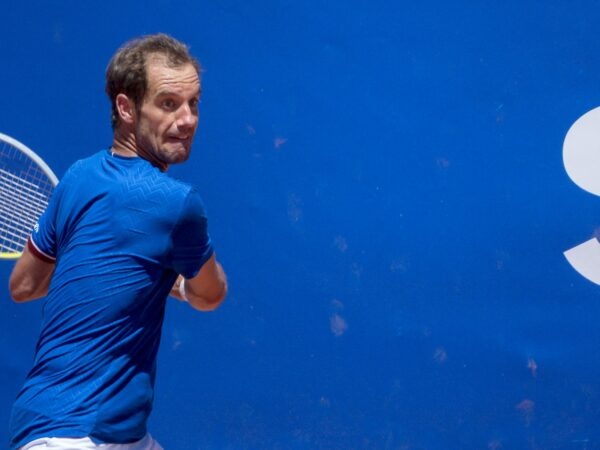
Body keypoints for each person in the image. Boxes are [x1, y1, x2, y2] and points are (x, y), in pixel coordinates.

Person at [7, 33, 227, 450]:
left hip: (47, 428)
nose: (188, 119)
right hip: (87, 439)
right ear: (126, 107)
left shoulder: (77, 178)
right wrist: (173, 282)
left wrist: (137, 273)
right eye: (168, 103)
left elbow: (24, 285)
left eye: (193, 103)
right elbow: (211, 294)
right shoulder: (177, 203)